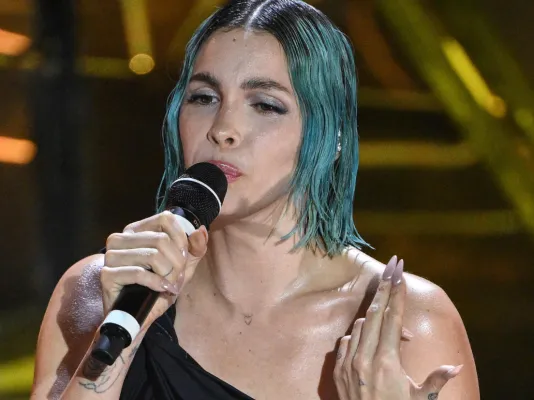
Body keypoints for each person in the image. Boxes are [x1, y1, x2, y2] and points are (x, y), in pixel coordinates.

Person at [30, 0, 480, 399]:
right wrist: (117, 344)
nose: (223, 128)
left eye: (265, 104)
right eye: (204, 97)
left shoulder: (409, 324)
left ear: (333, 134)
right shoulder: (96, 290)